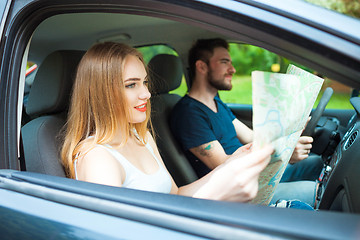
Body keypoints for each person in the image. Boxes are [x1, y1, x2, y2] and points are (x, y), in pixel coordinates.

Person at [61, 41, 274, 203]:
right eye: (131, 85)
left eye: (144, 82)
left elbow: (176, 194)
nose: (146, 93)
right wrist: (216, 193)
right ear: (102, 93)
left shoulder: (140, 136)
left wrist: (230, 165)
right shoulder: (96, 157)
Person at [170, 38, 323, 206]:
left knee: (317, 164)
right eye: (224, 62)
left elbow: (251, 137)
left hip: (256, 172)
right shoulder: (188, 113)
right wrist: (282, 152)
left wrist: (290, 132)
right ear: (201, 66)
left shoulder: (216, 103)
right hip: (241, 190)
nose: (232, 69)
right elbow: (224, 166)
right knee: (316, 191)